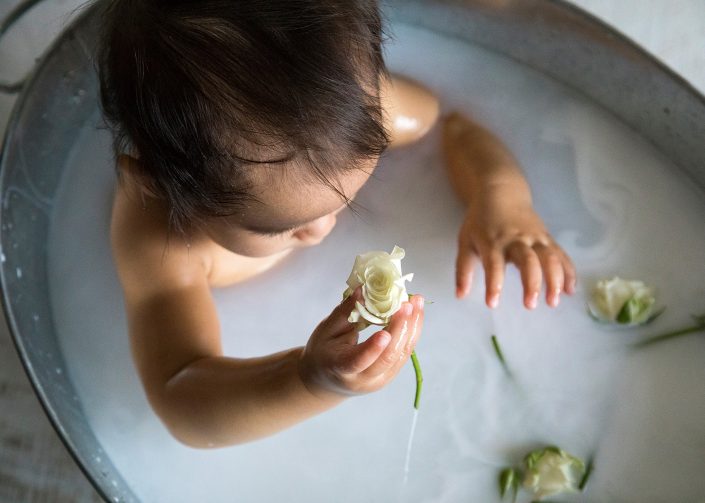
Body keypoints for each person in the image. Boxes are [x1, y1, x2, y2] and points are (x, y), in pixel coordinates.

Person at [98, 0, 575, 447]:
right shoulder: (158, 239)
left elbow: (451, 126)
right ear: (156, 185)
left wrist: (501, 197)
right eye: (276, 227)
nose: (323, 230)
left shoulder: (354, 115)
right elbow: (181, 397)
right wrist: (307, 381)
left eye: (349, 191)